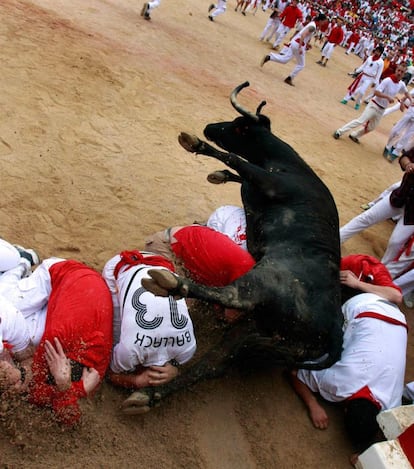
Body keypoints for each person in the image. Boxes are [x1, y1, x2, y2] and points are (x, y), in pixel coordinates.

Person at [290, 254, 407, 464]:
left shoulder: (393, 403)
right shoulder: (339, 384)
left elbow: (390, 434)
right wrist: (313, 404)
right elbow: (294, 373)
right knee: (318, 332)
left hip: (396, 316)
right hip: (358, 307)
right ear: (344, 408)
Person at [0, 258, 113, 425]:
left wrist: (68, 387)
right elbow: (35, 390)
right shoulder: (57, 343)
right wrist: (72, 389)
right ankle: (19, 265)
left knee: (22, 324)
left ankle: (21, 268)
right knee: (13, 308)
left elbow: (37, 394)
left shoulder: (92, 368)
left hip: (65, 284)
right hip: (65, 279)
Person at [102, 250, 197, 414]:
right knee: (114, 334)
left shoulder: (188, 349)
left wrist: (174, 370)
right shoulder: (130, 351)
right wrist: (137, 381)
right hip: (120, 266)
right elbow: (107, 374)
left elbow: (112, 373)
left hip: (163, 266)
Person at [340, 147, 414, 300]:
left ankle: (377, 279)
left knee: (395, 243)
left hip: (413, 215)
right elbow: (404, 157)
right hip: (400, 197)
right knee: (366, 218)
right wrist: (408, 165)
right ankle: (336, 239)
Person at [333, 63, 412, 143]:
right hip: (374, 105)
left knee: (371, 127)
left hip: (382, 109)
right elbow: (376, 92)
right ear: (396, 70)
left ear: (404, 74)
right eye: (398, 70)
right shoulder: (387, 80)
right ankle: (339, 131)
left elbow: (406, 92)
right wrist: (387, 97)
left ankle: (355, 135)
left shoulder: (401, 84)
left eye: (402, 72)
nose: (399, 73)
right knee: (360, 121)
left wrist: (411, 101)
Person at [260, 13, 329, 86]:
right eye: (324, 22)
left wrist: (305, 44)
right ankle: (290, 78)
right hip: (298, 44)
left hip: (295, 42)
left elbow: (303, 35)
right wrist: (300, 47)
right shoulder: (313, 26)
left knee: (285, 59)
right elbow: (303, 35)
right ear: (320, 20)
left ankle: (269, 57)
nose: (324, 23)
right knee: (301, 64)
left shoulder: (313, 24)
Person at [339, 45, 385, 110]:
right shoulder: (370, 58)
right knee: (354, 88)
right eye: (376, 51)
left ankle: (358, 103)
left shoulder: (381, 62)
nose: (377, 52)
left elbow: (379, 73)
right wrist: (357, 71)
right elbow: (363, 66)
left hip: (370, 78)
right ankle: (345, 99)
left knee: (362, 91)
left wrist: (375, 81)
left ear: (381, 53)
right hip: (362, 75)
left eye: (379, 52)